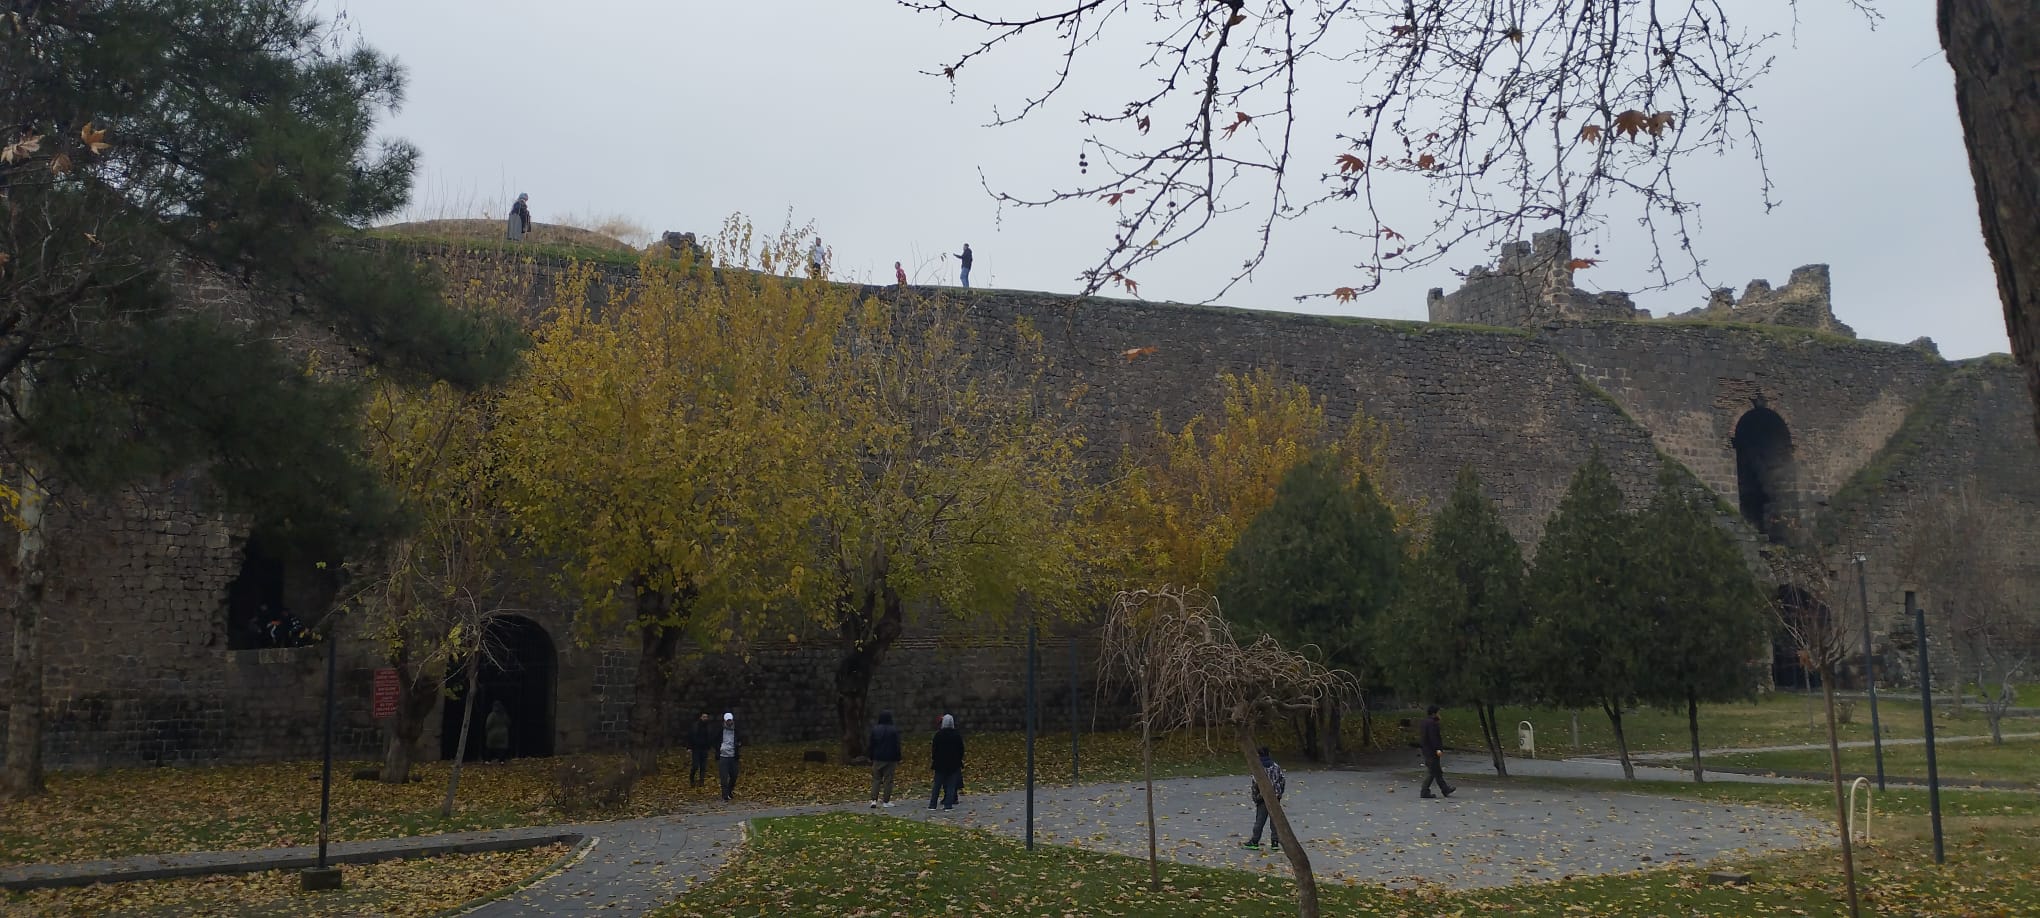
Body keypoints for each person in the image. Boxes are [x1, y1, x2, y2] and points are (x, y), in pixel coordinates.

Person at [1243, 746, 1287, 850]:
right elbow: (1282, 780)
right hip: (1275, 796)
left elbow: (1255, 783)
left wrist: (1256, 797)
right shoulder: (1276, 766)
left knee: (1260, 820)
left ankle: (1255, 841)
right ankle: (1275, 842)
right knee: (1275, 820)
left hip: (1263, 797)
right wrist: (1280, 792)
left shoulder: (1258, 768)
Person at [929, 713, 964, 810]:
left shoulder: (938, 735)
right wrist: (958, 759)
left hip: (940, 763)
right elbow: (961, 750)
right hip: (953, 764)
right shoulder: (956, 735)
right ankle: (948, 805)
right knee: (951, 785)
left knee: (937, 785)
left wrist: (935, 759)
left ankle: (932, 804)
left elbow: (934, 749)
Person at [1419, 705, 1455, 799]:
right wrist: (1438, 749)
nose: (1440, 715)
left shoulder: (1425, 722)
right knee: (1432, 772)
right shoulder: (1432, 723)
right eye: (1438, 712)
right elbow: (1433, 738)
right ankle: (1424, 791)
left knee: (1437, 771)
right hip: (1432, 751)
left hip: (1426, 750)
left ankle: (1445, 789)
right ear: (1434, 713)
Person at [868, 710, 903, 808]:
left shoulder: (875, 730)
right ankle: (886, 801)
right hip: (890, 759)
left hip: (878, 758)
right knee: (888, 780)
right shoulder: (893, 730)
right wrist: (898, 757)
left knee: (876, 779)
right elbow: (896, 745)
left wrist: (871, 756)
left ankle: (873, 800)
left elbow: (871, 745)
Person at [686, 712, 718, 788]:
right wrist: (689, 747)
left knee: (703, 766)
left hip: (704, 748)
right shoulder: (695, 726)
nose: (705, 718)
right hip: (696, 748)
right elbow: (690, 736)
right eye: (704, 717)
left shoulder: (709, 727)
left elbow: (711, 737)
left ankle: (701, 781)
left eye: (706, 717)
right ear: (700, 717)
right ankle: (692, 778)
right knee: (695, 765)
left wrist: (712, 747)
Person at [717, 711, 742, 802]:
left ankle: (729, 791)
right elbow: (715, 740)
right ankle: (725, 795)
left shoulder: (736, 730)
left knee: (734, 775)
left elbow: (740, 739)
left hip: (733, 756)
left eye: (730, 720)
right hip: (723, 756)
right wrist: (719, 749)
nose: (729, 722)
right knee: (724, 777)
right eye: (727, 721)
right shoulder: (720, 730)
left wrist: (738, 744)